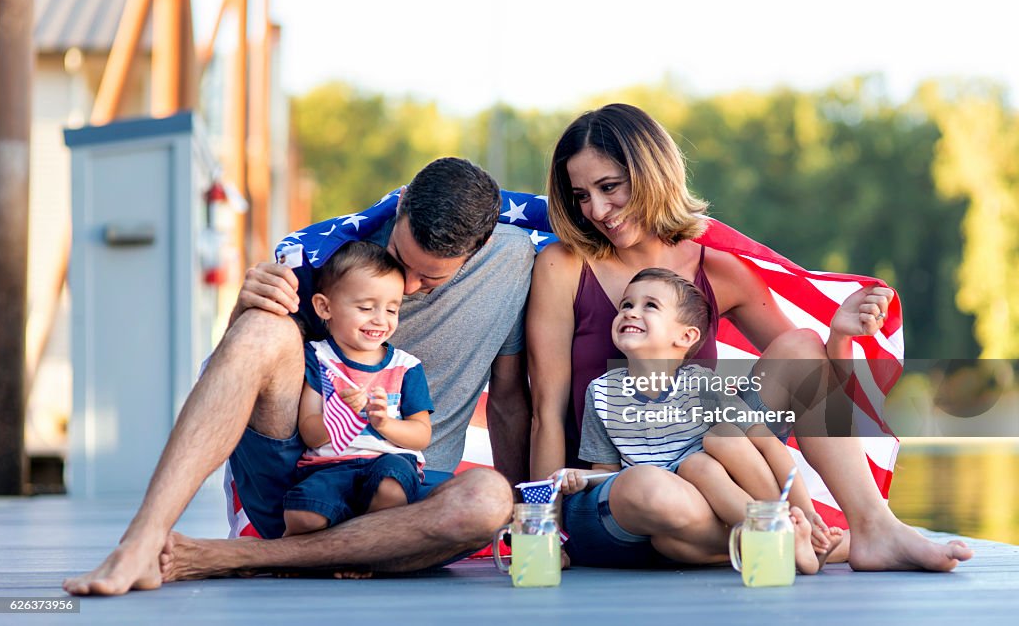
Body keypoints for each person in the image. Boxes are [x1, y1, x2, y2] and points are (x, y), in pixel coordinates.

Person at [528, 103, 973, 571]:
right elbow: (546, 413)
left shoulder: (717, 269)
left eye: (610, 187)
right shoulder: (564, 266)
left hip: (710, 480)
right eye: (581, 195)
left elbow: (815, 384)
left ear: (650, 173)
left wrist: (838, 339)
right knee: (653, 490)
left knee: (802, 346)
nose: (597, 210)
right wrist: (544, 529)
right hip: (617, 492)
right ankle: (787, 536)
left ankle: (872, 529)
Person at [64, 157, 534, 595]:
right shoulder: (326, 258)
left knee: (491, 500)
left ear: (483, 246)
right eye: (398, 257)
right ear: (403, 202)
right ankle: (143, 539)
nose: (406, 286)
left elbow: (509, 399)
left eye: (429, 279)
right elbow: (246, 367)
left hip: (403, 503)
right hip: (303, 486)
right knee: (263, 327)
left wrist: (529, 521)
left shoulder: (513, 262)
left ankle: (238, 558)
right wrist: (244, 309)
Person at [555, 267, 840, 571]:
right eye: (626, 305)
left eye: (649, 305)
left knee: (712, 449)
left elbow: (768, 445)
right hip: (670, 505)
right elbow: (607, 472)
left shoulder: (702, 384)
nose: (631, 313)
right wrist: (581, 478)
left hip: (715, 487)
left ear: (686, 336)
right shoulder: (601, 392)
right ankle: (780, 541)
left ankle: (781, 525)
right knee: (669, 544)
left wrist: (804, 510)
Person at [283, 241, 432, 539]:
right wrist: (342, 412)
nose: (380, 319)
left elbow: (422, 434)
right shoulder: (319, 358)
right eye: (365, 307)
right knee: (301, 513)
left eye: (392, 309)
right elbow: (310, 432)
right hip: (329, 467)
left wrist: (385, 424)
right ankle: (319, 551)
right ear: (325, 307)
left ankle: (364, 550)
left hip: (387, 462)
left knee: (391, 488)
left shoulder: (406, 367)